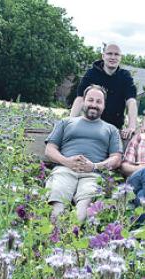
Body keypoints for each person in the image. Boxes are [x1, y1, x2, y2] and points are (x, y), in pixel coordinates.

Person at [45, 85, 122, 222]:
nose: (94, 105)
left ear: (104, 105)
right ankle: (55, 232)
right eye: (90, 100)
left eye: (99, 102)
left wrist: (94, 166)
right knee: (57, 196)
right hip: (64, 170)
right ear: (83, 102)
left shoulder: (111, 130)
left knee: (86, 202)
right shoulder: (66, 122)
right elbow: (49, 150)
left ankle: (73, 232)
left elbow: (116, 158)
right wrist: (67, 161)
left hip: (92, 175)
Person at [70, 43, 138, 139]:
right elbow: (80, 98)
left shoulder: (125, 76)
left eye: (116, 54)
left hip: (114, 129)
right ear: (103, 56)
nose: (113, 57)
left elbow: (131, 102)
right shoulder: (91, 74)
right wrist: (70, 122)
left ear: (120, 57)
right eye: (109, 53)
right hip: (91, 125)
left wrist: (131, 126)